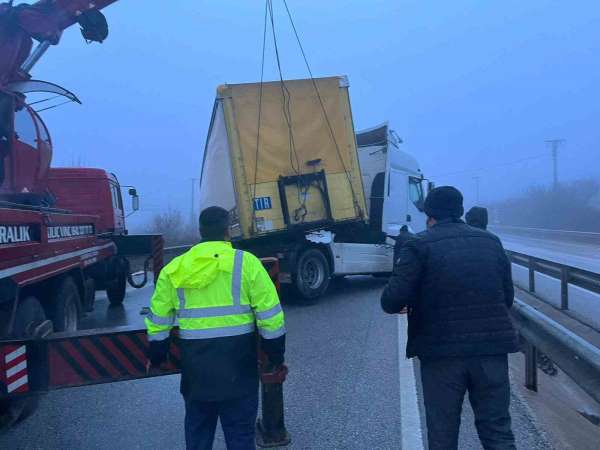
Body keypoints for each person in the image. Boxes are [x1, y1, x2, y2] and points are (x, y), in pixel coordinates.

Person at [381, 186, 518, 450]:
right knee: (497, 431)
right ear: (460, 211)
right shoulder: (491, 242)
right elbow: (507, 297)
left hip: (441, 355)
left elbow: (391, 300)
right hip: (492, 350)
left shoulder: (418, 244)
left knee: (443, 434)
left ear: (429, 214)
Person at [145, 206, 286, 450]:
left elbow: (158, 321)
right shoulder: (247, 264)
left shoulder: (175, 268)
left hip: (197, 374)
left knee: (198, 437)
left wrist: (157, 357)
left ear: (200, 231)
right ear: (227, 231)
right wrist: (275, 357)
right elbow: (271, 318)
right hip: (239, 370)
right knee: (240, 438)